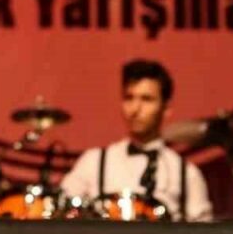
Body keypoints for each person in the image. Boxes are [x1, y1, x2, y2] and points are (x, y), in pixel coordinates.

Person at [60, 59, 213, 222]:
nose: (135, 109)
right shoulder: (94, 162)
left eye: (146, 99)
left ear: (166, 108)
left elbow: (202, 233)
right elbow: (61, 211)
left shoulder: (186, 173)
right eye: (129, 98)